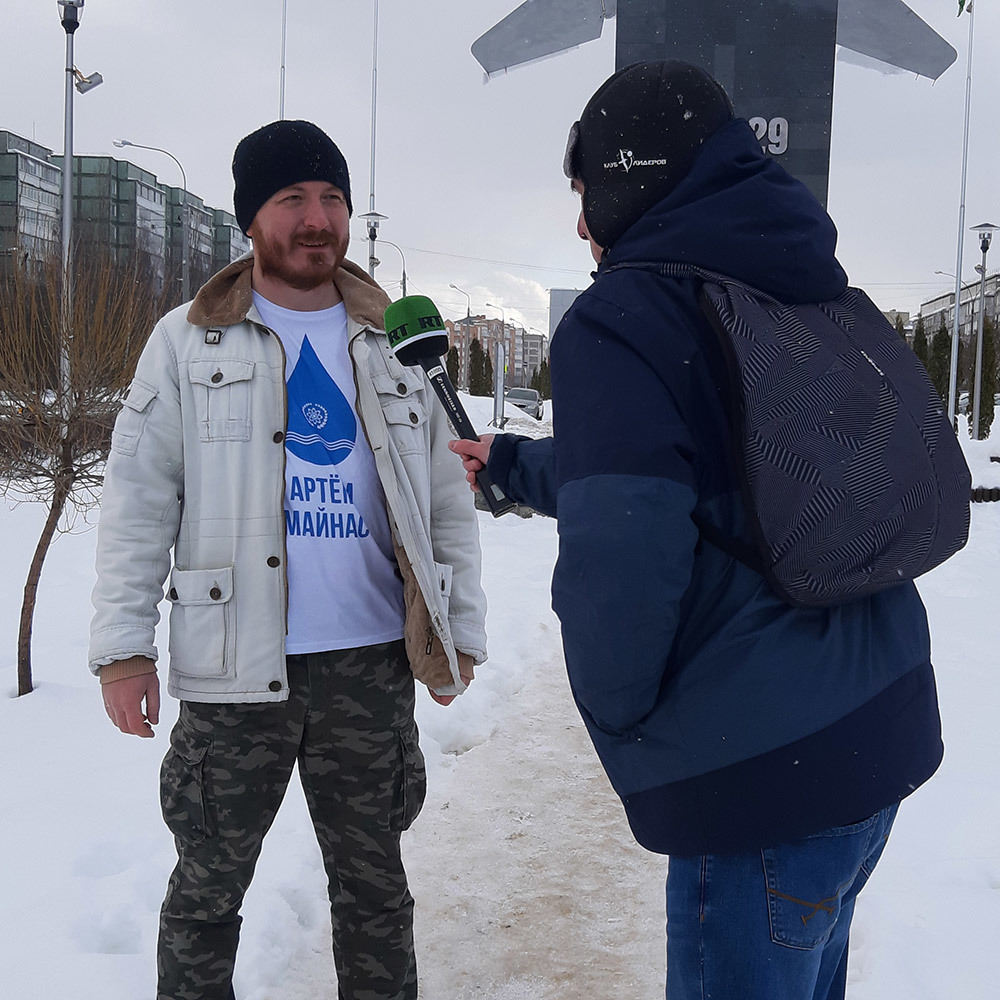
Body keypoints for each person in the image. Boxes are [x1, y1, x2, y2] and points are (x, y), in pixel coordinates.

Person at [450, 62, 943, 1000]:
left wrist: (624, 716)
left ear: (630, 176)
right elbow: (717, 474)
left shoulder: (624, 317)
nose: (582, 224)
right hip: (878, 731)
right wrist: (515, 464)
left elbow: (624, 553)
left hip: (767, 777)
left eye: (587, 192)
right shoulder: (801, 288)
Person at [90, 119, 487, 1000]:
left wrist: (457, 636)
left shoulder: (397, 341)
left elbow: (445, 503)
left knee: (376, 893)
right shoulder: (187, 340)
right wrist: (122, 650)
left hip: (370, 664)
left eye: (332, 198)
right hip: (234, 672)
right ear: (250, 219)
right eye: (292, 199)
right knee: (204, 894)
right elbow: (137, 506)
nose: (317, 219)